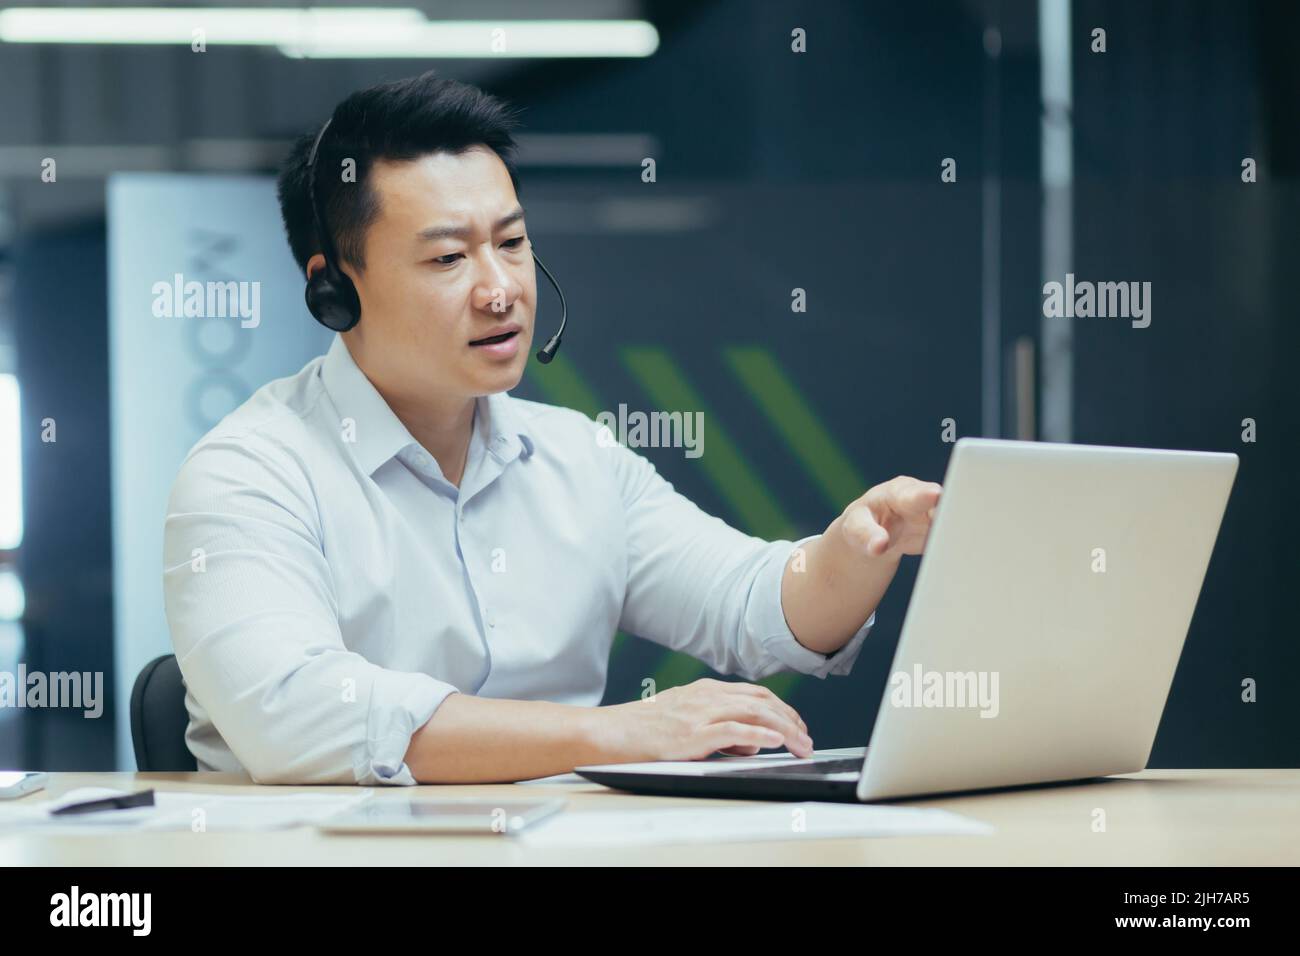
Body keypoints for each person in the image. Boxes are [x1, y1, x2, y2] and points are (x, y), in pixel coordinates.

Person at [162, 71, 941, 785]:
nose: (500, 290)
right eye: (447, 260)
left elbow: (749, 608)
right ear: (334, 289)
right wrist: (610, 735)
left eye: (511, 243)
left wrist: (850, 549)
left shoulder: (578, 457)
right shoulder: (249, 472)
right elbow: (296, 713)